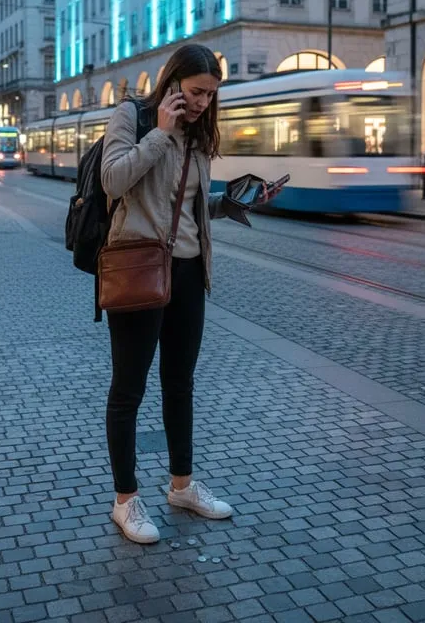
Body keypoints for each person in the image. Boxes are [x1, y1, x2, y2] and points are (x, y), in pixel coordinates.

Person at [100, 44, 282, 544]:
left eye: (211, 95)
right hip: (139, 268)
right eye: (197, 91)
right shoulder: (134, 117)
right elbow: (113, 180)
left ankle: (181, 486)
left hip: (187, 272)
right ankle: (125, 501)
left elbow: (193, 205)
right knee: (128, 390)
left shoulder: (200, 136)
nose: (203, 102)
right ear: (174, 80)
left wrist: (239, 201)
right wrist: (160, 132)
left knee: (179, 384)